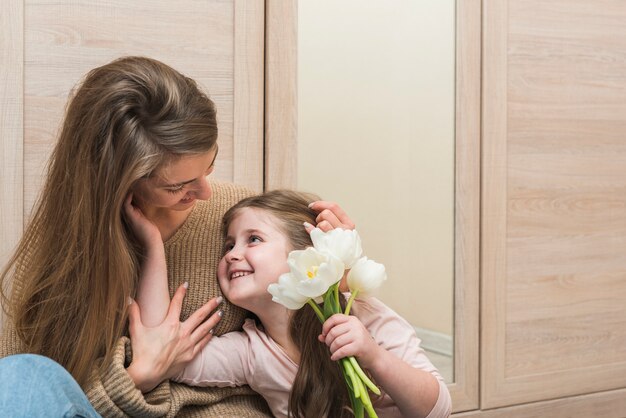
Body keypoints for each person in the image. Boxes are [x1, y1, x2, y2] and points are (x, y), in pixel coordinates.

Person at [0, 56, 354, 416]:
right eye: (178, 186)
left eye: (209, 166)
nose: (204, 193)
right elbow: (30, 397)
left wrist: (337, 270)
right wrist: (139, 375)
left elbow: (322, 347)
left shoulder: (241, 218)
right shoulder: (59, 259)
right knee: (18, 374)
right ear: (118, 182)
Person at [129, 189, 452, 418]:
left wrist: (374, 356)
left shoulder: (361, 312)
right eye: (229, 245)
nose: (231, 255)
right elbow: (161, 349)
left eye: (253, 239)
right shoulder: (251, 353)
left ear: (305, 252)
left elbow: (437, 410)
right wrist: (153, 244)